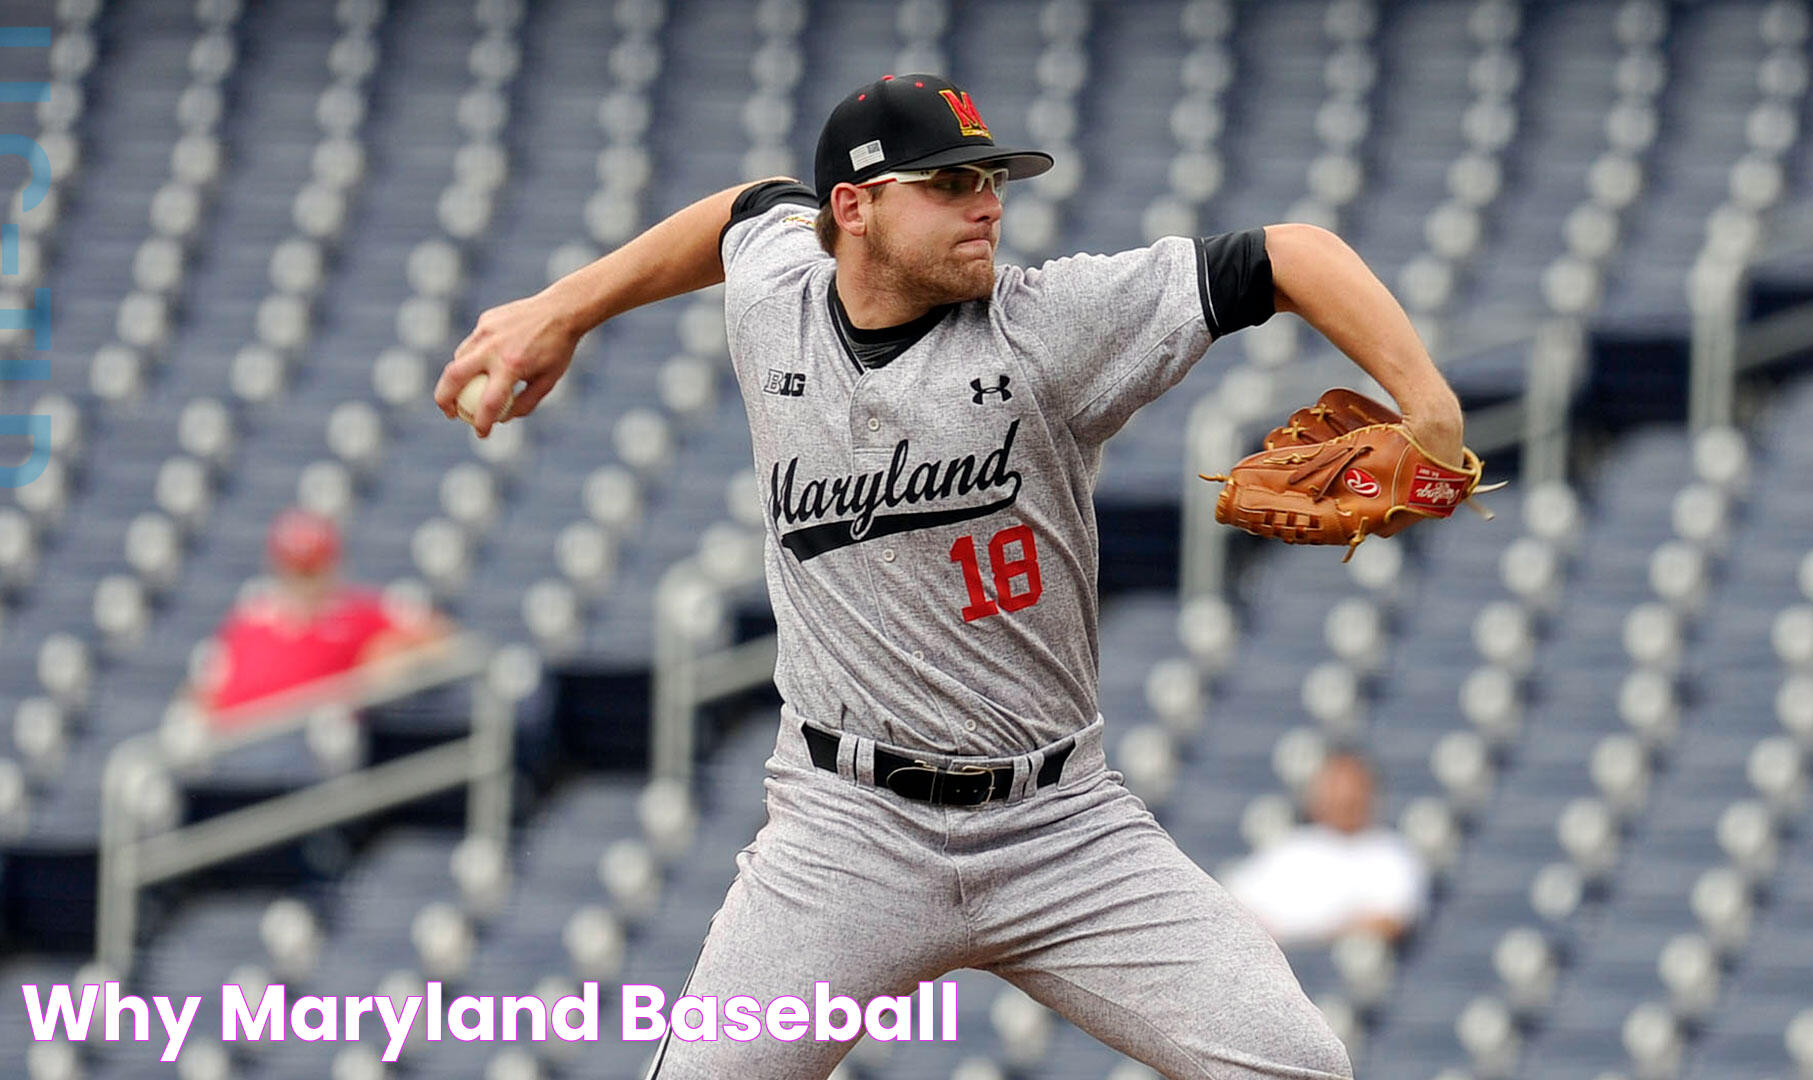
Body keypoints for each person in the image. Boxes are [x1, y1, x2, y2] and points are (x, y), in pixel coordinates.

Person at [437, 73, 1465, 1080]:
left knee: (1296, 1064)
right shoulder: (775, 303)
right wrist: (564, 307)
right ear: (852, 208)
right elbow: (742, 213)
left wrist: (1427, 409)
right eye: (949, 185)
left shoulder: (1049, 326)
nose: (987, 206)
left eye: (993, 181)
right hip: (846, 834)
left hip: (1060, 828)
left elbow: (1292, 254)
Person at [192, 508, 448, 726]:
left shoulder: (358, 612)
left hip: (315, 750)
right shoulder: (249, 620)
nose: (302, 581)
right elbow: (206, 694)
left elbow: (441, 639)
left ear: (330, 565)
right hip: (241, 745)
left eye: (311, 569)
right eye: (295, 568)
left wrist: (390, 656)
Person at [1224, 752, 1430, 946]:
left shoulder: (1391, 853)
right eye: (1334, 790)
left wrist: (1313, 943)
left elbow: (1391, 920)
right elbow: (1234, 905)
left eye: (1352, 791)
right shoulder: (1289, 847)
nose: (1343, 799)